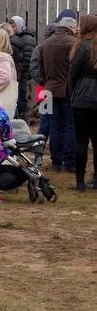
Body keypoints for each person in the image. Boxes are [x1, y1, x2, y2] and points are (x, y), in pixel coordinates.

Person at [38, 11, 79, 173]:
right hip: (68, 90)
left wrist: (46, 82)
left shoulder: (46, 44)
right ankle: (69, 162)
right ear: (71, 27)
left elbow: (40, 69)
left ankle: (56, 161)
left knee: (54, 126)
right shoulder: (73, 43)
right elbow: (75, 69)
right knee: (69, 126)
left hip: (49, 89)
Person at [67, 14, 97, 192]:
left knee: (81, 141)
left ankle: (80, 181)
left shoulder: (82, 46)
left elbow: (73, 74)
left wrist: (73, 93)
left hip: (83, 99)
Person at [9, 16, 36, 119]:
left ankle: (24, 120)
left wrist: (23, 73)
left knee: (21, 99)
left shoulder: (27, 39)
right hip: (17, 74)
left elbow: (28, 59)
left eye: (14, 26)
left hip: (22, 75)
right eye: (11, 26)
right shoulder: (15, 38)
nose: (12, 28)